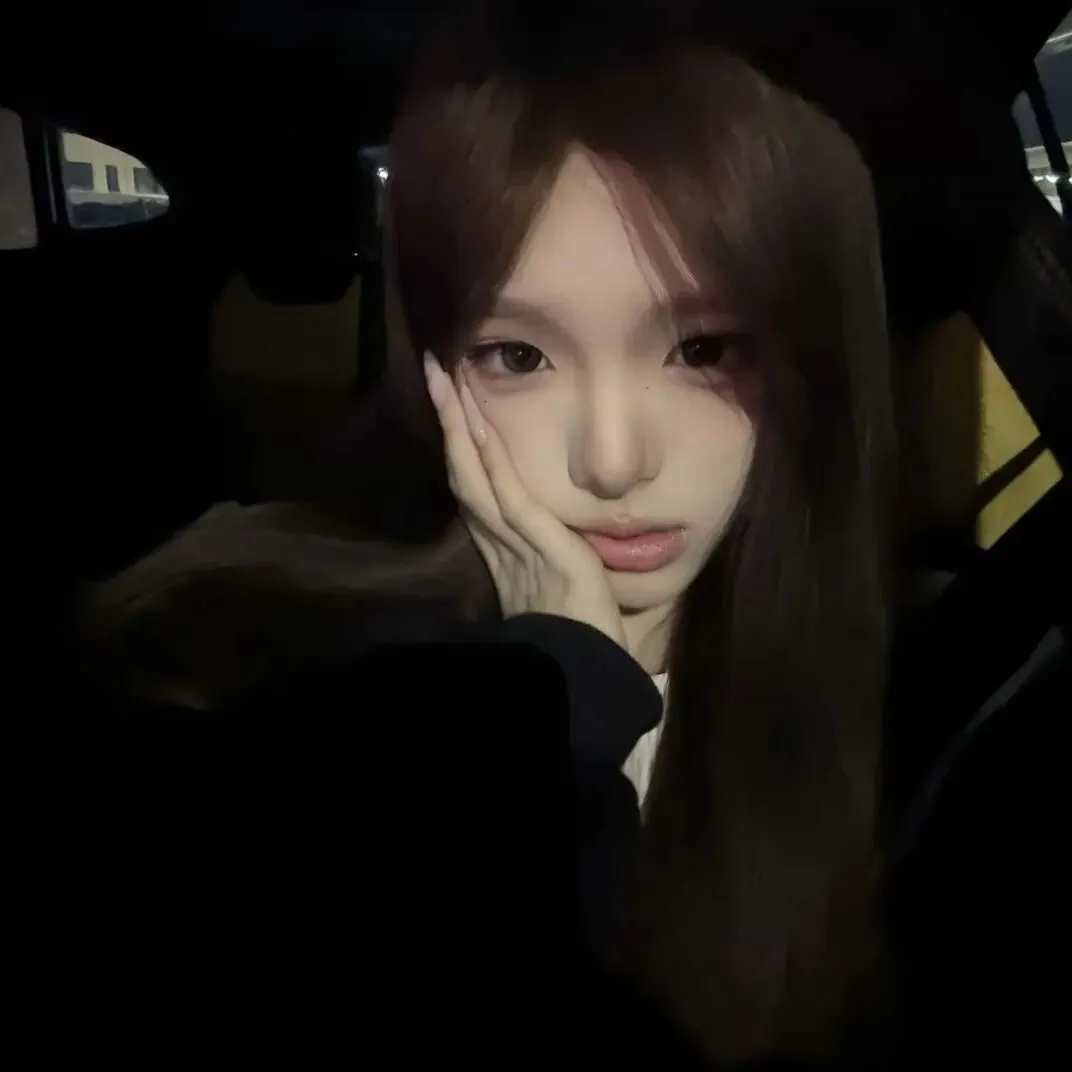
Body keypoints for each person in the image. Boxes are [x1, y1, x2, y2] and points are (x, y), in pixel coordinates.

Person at [81, 1, 895, 1064]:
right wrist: (562, 701)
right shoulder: (267, 673)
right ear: (432, 367)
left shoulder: (850, 676)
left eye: (701, 350)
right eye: (517, 356)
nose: (613, 461)